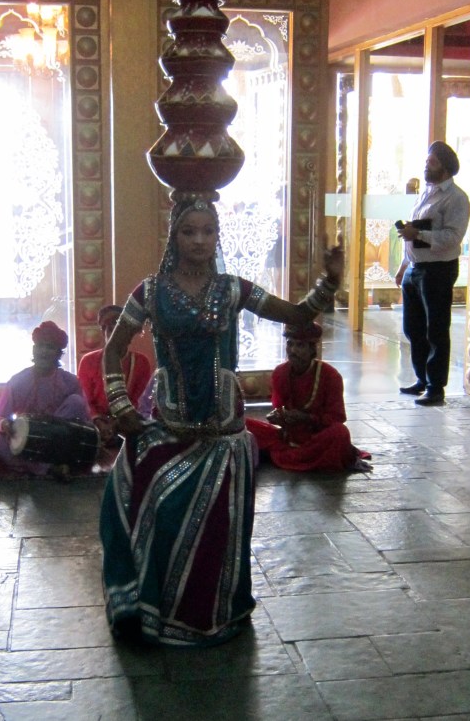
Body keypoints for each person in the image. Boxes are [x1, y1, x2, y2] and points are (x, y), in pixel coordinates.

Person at [99, 192, 344, 647]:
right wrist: (121, 405)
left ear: (218, 235)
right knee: (150, 503)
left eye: (208, 231)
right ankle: (148, 607)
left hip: (224, 432)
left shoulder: (233, 288)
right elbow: (114, 350)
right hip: (170, 425)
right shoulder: (149, 292)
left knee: (219, 530)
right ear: (174, 235)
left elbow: (294, 314)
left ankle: (212, 616)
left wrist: (328, 284)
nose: (199, 240)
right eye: (189, 231)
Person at [394, 141, 470, 406]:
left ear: (445, 168)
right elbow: (414, 233)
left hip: (437, 270)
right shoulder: (426, 193)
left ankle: (436, 387)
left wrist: (420, 234)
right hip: (415, 269)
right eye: (427, 161)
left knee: (435, 329)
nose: (426, 166)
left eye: (432, 162)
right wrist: (404, 265)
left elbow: (452, 237)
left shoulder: (456, 199)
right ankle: (422, 378)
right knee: (413, 328)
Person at [246, 322, 371, 472]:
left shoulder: (331, 376)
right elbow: (279, 408)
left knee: (340, 433)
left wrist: (307, 418)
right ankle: (302, 457)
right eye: (289, 344)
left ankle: (282, 456)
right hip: (288, 437)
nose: (292, 351)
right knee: (245, 425)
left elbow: (337, 418)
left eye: (299, 346)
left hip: (317, 437)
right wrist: (279, 417)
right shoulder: (280, 373)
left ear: (312, 349)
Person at [0, 320, 94, 478]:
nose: (44, 352)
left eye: (50, 347)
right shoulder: (18, 381)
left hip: (57, 442)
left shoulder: (70, 381)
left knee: (76, 402)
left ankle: (44, 466)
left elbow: (85, 420)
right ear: (33, 349)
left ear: (59, 353)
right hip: (28, 444)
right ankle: (48, 469)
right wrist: (4, 423)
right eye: (40, 346)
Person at [77, 304, 152, 447]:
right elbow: (85, 400)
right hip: (94, 423)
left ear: (129, 334)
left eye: (120, 331)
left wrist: (117, 423)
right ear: (103, 331)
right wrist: (98, 421)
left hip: (127, 421)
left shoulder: (141, 362)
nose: (114, 336)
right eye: (110, 329)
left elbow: (140, 402)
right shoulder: (88, 361)